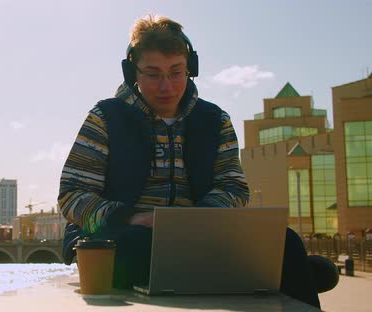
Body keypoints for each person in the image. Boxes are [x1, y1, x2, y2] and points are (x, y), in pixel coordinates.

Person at [58, 14, 335, 308]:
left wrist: (197, 221)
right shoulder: (105, 117)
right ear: (132, 73)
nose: (166, 86)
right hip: (126, 235)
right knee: (134, 248)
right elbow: (72, 193)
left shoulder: (215, 120)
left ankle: (290, 271)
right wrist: (131, 217)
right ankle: (294, 274)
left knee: (287, 242)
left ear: (191, 69)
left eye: (176, 72)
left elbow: (233, 187)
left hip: (201, 238)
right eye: (153, 74)